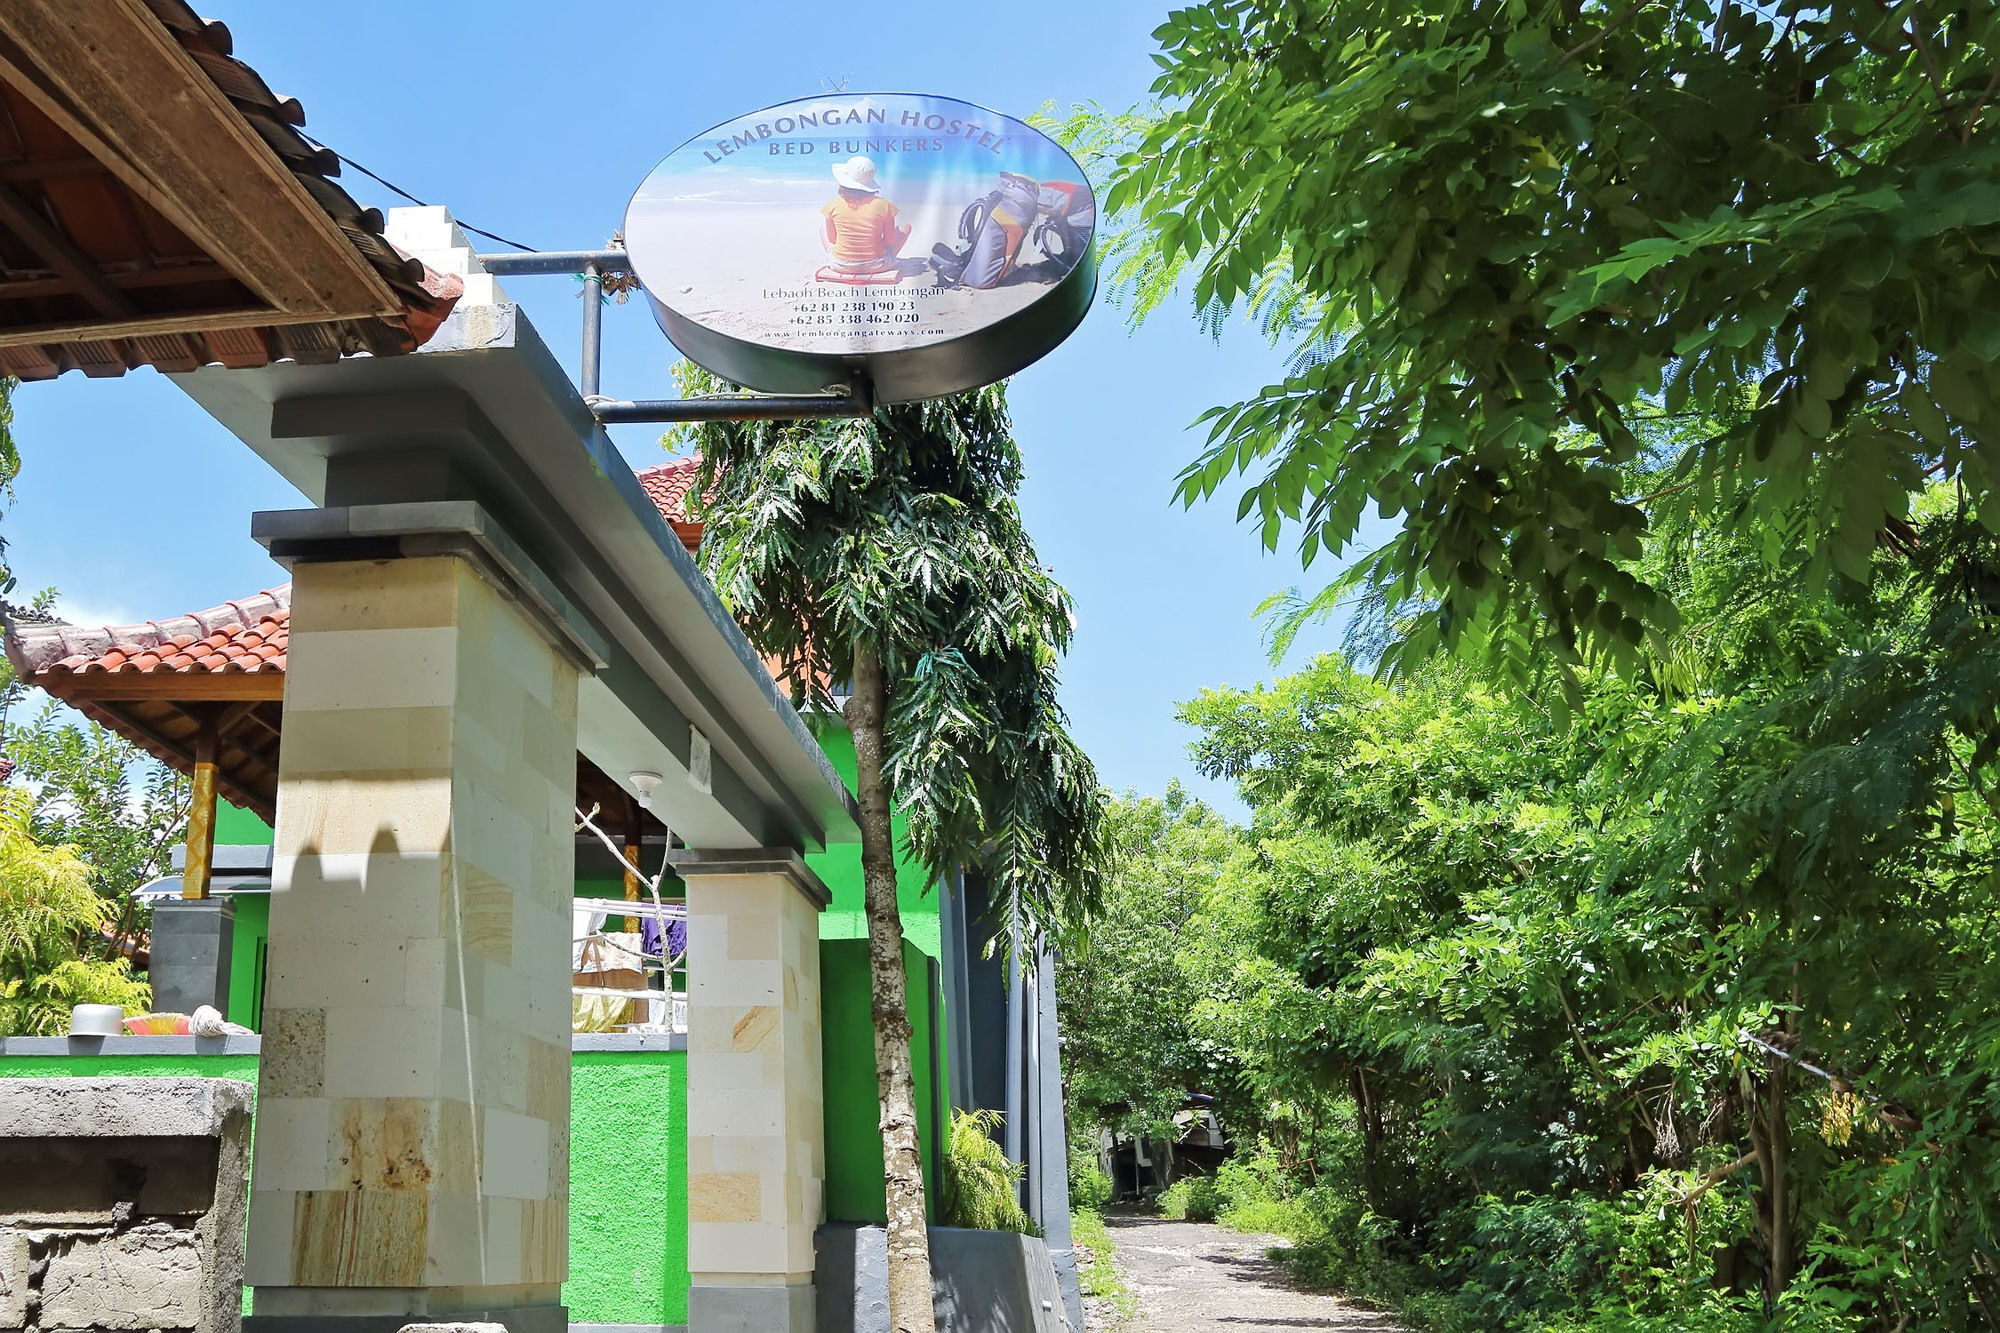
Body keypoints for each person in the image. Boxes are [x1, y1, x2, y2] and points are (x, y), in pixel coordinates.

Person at [819, 156, 910, 275]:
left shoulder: (833, 205)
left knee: (822, 228)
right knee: (906, 227)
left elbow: (832, 239)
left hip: (840, 265)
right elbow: (889, 241)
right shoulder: (884, 205)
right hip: (876, 265)